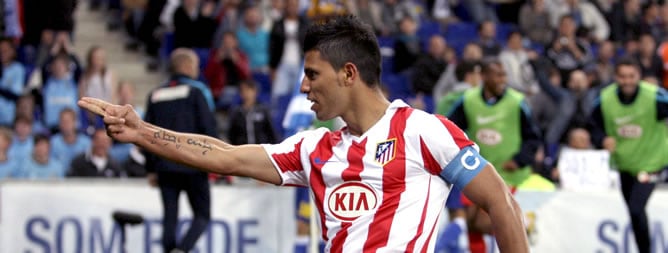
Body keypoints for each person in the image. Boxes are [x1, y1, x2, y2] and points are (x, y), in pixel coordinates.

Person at [79, 15, 529, 252]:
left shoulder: (422, 131)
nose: (303, 86)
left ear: (349, 73)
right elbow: (227, 156)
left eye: (313, 74)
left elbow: (501, 201)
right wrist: (142, 132)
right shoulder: (314, 146)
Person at [588, 57, 668, 253]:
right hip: (624, 164)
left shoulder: (655, 97)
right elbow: (592, 127)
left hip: (652, 163)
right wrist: (602, 140)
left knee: (636, 208)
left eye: (631, 76)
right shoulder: (604, 99)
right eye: (622, 77)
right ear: (616, 77)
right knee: (633, 214)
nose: (627, 81)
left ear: (638, 76)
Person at [143, 48, 218, 253]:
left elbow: (146, 134)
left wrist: (151, 168)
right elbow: (209, 128)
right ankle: (182, 250)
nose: (196, 69)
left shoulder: (155, 94)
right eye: (194, 65)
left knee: (170, 217)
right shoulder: (197, 91)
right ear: (185, 66)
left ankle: (170, 250)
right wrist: (216, 161)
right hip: (193, 163)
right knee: (202, 215)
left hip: (165, 166)